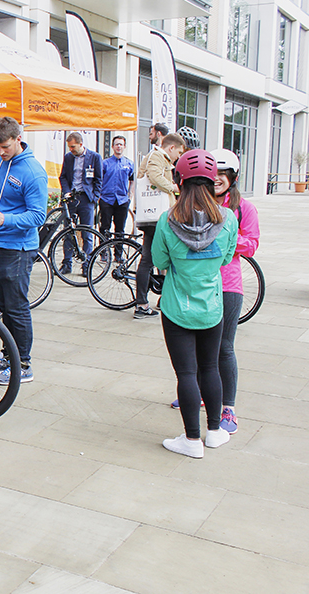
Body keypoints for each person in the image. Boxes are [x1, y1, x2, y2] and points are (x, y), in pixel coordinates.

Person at [152, 149, 237, 458]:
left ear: (179, 180)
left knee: (187, 374)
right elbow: (226, 258)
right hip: (213, 306)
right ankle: (214, 432)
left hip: (177, 308)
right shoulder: (227, 220)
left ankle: (191, 440)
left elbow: (160, 260)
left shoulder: (167, 220)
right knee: (210, 367)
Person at [0, 117, 49, 385]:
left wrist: (6, 220)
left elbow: (38, 216)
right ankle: (9, 356)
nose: (1, 152)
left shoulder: (32, 171)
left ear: (18, 139)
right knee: (6, 307)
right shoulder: (0, 162)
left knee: (17, 309)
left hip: (19, 249)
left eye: (5, 146)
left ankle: (24, 365)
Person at [210, 148, 259, 434]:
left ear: (233, 177)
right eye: (213, 174)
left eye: (223, 174)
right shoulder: (197, 202)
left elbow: (251, 244)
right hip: (198, 284)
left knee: (224, 347)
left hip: (228, 285)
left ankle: (229, 408)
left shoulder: (244, 208)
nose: (217, 178)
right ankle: (202, 394)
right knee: (198, 347)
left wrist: (224, 236)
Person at [135, 133, 185, 319]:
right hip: (154, 218)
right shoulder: (157, 156)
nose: (178, 157)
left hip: (158, 217)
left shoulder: (159, 157)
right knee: (149, 259)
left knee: (158, 258)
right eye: (178, 152)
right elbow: (154, 177)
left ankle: (160, 298)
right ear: (171, 148)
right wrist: (174, 187)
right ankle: (141, 304)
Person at [58, 131, 103, 275]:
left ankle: (87, 264)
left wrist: (95, 197)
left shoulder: (94, 157)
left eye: (73, 147)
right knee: (68, 231)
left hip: (86, 198)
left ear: (81, 144)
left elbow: (99, 179)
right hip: (71, 197)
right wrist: (66, 191)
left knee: (86, 232)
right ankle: (67, 263)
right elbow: (63, 176)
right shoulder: (68, 157)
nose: (71, 150)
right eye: (69, 147)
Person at [98, 135, 134, 250]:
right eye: (117, 144)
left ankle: (118, 255)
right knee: (105, 227)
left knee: (120, 229)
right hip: (107, 199)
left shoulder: (129, 164)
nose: (119, 146)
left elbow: (132, 180)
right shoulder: (105, 163)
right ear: (113, 147)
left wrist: (130, 195)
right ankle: (103, 252)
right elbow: (99, 180)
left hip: (122, 200)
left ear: (124, 147)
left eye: (121, 144)